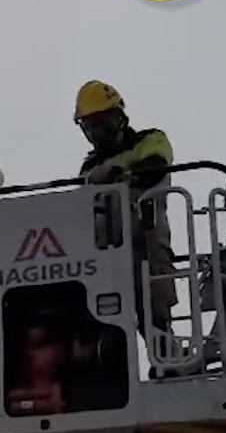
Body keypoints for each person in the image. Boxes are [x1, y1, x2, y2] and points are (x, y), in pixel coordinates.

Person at [73, 80, 180, 377]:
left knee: (153, 303)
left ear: (120, 118)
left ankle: (166, 361)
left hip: (145, 232)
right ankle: (107, 373)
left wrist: (118, 174)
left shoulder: (150, 140)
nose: (96, 132)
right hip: (102, 245)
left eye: (102, 123)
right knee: (103, 310)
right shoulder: (90, 165)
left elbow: (156, 166)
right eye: (89, 126)